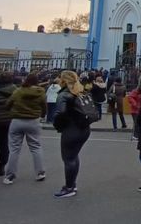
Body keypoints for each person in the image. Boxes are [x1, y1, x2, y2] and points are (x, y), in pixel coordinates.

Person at [52, 70, 92, 198]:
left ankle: (69, 187)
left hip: (71, 129)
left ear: (63, 80)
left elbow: (61, 112)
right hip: (84, 128)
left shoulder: (64, 94)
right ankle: (72, 184)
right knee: (74, 156)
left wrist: (57, 124)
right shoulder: (81, 91)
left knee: (68, 158)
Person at [3, 73, 46, 185]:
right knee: (36, 147)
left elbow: (8, 104)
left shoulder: (18, 91)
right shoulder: (40, 92)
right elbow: (44, 107)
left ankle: (10, 176)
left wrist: (12, 111)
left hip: (17, 120)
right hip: (33, 121)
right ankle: (40, 172)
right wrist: (41, 115)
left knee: (14, 149)